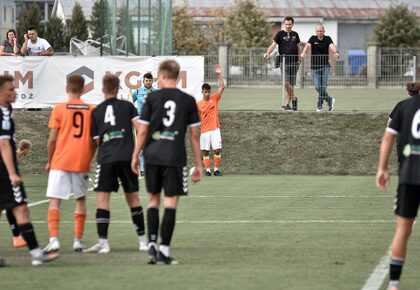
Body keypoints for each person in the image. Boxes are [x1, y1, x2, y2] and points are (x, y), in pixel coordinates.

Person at [131, 59, 202, 265]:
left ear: (161, 76)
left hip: (152, 156)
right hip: (175, 157)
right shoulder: (188, 100)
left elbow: (142, 130)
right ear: (178, 76)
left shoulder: (151, 98)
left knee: (153, 200)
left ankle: (151, 242)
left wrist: (135, 155)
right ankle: (163, 249)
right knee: (170, 203)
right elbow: (195, 135)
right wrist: (199, 165)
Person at [84, 74, 147, 254]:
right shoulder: (128, 107)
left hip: (107, 159)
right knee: (133, 199)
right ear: (119, 88)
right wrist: (136, 153)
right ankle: (143, 242)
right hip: (127, 157)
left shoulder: (96, 112)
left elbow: (96, 142)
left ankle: (103, 243)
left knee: (102, 200)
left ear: (103, 89)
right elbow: (140, 129)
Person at [0, 75, 59, 266]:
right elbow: (3, 145)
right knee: (21, 209)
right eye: (10, 89)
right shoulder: (3, 112)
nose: (14, 92)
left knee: (20, 209)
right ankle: (36, 254)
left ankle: (35, 253)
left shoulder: (6, 110)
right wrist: (12, 173)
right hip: (3, 173)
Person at [42, 75, 96, 253]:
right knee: (80, 199)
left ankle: (54, 239)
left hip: (60, 160)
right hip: (80, 160)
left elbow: (52, 139)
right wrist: (89, 156)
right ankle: (77, 241)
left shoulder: (59, 109)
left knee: (55, 200)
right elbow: (94, 140)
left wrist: (50, 161)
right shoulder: (90, 110)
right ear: (83, 89)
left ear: (67, 88)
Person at [376, 81, 420, 290]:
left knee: (403, 229)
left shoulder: (404, 106)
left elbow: (387, 137)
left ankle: (393, 284)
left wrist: (382, 169)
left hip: (409, 174)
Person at [264, 16, 301, 111]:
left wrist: (299, 58)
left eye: (290, 24)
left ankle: (287, 105)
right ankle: (294, 99)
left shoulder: (295, 34)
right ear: (284, 24)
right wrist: (268, 52)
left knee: (291, 85)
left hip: (294, 62)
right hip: (283, 62)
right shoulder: (279, 34)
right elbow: (273, 45)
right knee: (286, 83)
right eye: (286, 24)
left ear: (292, 24)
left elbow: (298, 47)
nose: (288, 26)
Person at [300, 24, 340, 112]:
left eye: (321, 31)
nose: (319, 33)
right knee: (318, 87)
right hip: (314, 67)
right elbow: (307, 46)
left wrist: (336, 52)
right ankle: (329, 99)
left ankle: (319, 105)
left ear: (324, 31)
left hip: (325, 66)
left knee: (323, 86)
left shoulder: (327, 38)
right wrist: (303, 52)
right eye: (317, 31)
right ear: (315, 32)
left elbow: (332, 46)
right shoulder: (313, 38)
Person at [197, 64, 225, 176]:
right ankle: (208, 171)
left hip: (215, 129)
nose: (208, 94)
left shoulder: (214, 99)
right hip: (204, 130)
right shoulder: (198, 104)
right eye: (205, 92)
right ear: (202, 92)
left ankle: (216, 169)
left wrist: (219, 74)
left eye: (209, 92)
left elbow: (222, 87)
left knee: (217, 149)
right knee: (205, 151)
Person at [5, 139, 32, 248]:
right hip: (6, 184)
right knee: (14, 207)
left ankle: (17, 235)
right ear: (25, 148)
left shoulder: (17, 155)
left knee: (12, 208)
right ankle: (17, 235)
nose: (29, 151)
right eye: (28, 149)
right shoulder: (15, 156)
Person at [132, 73, 158, 176]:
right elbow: (130, 103)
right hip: (140, 122)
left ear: (152, 81)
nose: (148, 82)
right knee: (141, 145)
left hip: (152, 122)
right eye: (146, 80)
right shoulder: (137, 92)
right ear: (143, 81)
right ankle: (142, 168)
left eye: (150, 80)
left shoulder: (156, 92)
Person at [387, 82, 419, 163]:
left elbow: (389, 123)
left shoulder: (401, 105)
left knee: (405, 165)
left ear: (408, 92)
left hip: (404, 141)